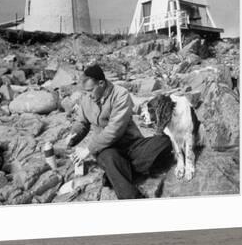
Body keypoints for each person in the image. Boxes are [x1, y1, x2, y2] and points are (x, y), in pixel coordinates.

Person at [65, 64, 171, 199]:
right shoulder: (86, 99)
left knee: (164, 141)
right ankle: (132, 198)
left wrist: (88, 150)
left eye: (90, 91)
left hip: (131, 145)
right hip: (107, 148)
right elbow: (82, 123)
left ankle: (117, 173)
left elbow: (114, 129)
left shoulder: (120, 94)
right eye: (85, 92)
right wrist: (73, 135)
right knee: (109, 158)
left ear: (101, 83)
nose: (88, 95)